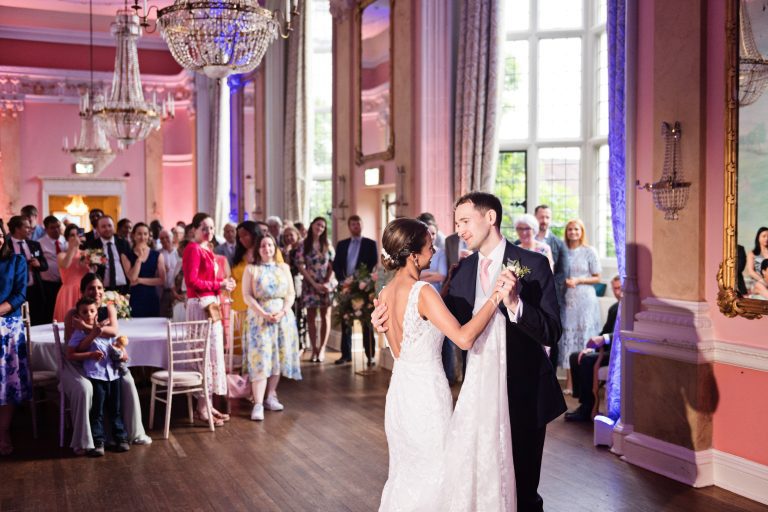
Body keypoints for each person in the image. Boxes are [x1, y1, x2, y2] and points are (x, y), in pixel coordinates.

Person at [373, 192, 565, 512]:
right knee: (477, 486)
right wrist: (383, 320)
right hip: (473, 401)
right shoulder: (461, 271)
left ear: (490, 218)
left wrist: (515, 304)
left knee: (524, 493)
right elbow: (434, 323)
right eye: (456, 223)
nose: (459, 230)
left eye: (464, 221)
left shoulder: (533, 264)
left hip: (523, 395)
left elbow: (553, 332)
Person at [375, 217, 516, 512]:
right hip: (426, 396)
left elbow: (419, 320)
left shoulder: (386, 292)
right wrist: (495, 297)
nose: (435, 250)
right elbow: (463, 339)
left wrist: (448, 285)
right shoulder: (423, 292)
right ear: (414, 255)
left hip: (400, 394)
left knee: (408, 472)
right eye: (430, 245)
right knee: (437, 470)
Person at [61, 273, 152, 455]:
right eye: (91, 288)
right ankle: (95, 439)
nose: (96, 292)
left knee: (126, 383)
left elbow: (113, 333)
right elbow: (75, 346)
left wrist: (88, 328)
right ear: (82, 292)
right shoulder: (74, 313)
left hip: (108, 363)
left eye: (100, 288)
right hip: (82, 362)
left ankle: (126, 434)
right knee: (93, 397)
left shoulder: (108, 308)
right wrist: (95, 332)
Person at [183, 212, 236, 426]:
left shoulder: (208, 249)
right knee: (204, 355)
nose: (209, 231)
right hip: (200, 305)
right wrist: (219, 285)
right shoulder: (193, 248)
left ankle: (207, 405)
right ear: (194, 229)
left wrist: (224, 284)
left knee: (213, 355)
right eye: (204, 228)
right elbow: (192, 281)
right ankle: (202, 408)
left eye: (212, 228)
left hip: (211, 303)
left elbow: (210, 279)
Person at [242, 234, 302, 421]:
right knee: (260, 359)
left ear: (275, 248)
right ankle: (258, 403)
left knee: (277, 357)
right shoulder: (252, 269)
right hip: (259, 320)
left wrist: (283, 312)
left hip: (282, 319)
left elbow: (290, 294)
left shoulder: (284, 268)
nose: (266, 248)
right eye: (263, 245)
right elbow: (247, 295)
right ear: (258, 249)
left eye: (270, 245)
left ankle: (270, 396)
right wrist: (263, 313)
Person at [66, 297, 130, 456]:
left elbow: (116, 343)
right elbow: (72, 354)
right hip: (96, 376)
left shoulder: (105, 329)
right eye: (84, 312)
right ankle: (98, 441)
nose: (89, 314)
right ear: (79, 316)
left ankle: (120, 438)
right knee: (97, 410)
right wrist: (90, 354)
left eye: (92, 311)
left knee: (115, 409)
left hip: (113, 374)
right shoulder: (79, 333)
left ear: (97, 313)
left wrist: (122, 353)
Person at [565, 275, 622, 422]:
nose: (618, 292)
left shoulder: (631, 309)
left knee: (587, 361)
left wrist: (603, 340)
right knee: (575, 356)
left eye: (620, 288)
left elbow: (621, 334)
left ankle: (587, 408)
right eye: (615, 289)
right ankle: (583, 402)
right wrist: (591, 348)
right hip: (606, 350)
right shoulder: (614, 308)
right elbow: (604, 332)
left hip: (619, 354)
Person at [560, 219, 602, 395]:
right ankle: (570, 384)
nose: (573, 232)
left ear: (581, 231)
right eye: (570, 229)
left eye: (576, 229)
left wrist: (578, 280)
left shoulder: (589, 251)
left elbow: (598, 277)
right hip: (567, 299)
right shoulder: (562, 250)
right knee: (568, 337)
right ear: (566, 232)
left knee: (584, 336)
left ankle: (586, 383)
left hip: (586, 299)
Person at [332, 215, 378, 365]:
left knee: (367, 322)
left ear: (362, 225)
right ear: (349, 227)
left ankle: (370, 356)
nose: (355, 226)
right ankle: (346, 355)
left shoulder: (370, 244)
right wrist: (343, 280)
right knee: (345, 320)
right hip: (345, 287)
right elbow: (336, 265)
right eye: (353, 224)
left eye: (358, 224)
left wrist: (359, 280)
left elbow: (373, 263)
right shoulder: (342, 244)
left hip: (363, 288)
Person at [0, 226, 29, 455]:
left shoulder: (17, 260)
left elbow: (20, 294)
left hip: (8, 326)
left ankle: (3, 430)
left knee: (8, 382)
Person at [533, 204, 569, 372]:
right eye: (541, 217)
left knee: (551, 335)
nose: (544, 220)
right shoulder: (522, 241)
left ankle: (551, 376)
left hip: (550, 298)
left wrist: (547, 290)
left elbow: (563, 273)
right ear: (535, 218)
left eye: (547, 217)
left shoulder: (558, 244)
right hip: (529, 298)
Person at [295, 217, 335, 362]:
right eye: (318, 225)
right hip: (310, 285)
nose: (320, 228)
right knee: (311, 317)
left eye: (323, 226)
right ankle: (314, 349)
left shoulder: (327, 244)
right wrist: (313, 284)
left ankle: (322, 348)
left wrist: (327, 282)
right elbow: (301, 266)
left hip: (325, 285)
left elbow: (333, 265)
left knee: (325, 316)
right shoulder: (303, 244)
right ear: (312, 225)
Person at [418, 217, 452, 382]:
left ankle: (447, 375)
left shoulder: (441, 253)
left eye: (433, 233)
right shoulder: (416, 253)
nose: (431, 236)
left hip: (438, 299)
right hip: (419, 300)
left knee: (442, 338)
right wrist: (431, 274)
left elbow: (441, 276)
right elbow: (414, 275)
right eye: (428, 233)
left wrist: (423, 275)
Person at [8, 215, 48, 326]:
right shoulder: (6, 246)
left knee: (37, 321)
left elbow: (45, 266)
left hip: (34, 289)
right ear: (17, 229)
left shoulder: (35, 244)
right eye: (26, 227)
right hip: (14, 291)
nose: (30, 230)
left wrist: (39, 264)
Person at [122, 223, 165, 318]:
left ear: (149, 236)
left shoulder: (157, 255)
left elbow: (162, 280)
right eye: (139, 234)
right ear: (133, 235)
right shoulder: (125, 255)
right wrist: (139, 259)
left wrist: (140, 280)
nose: (142, 237)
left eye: (145, 234)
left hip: (152, 297)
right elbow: (132, 278)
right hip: (135, 297)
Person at [54, 224, 91, 322]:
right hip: (68, 292)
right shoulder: (61, 255)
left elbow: (92, 272)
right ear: (67, 238)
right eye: (72, 235)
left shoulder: (87, 254)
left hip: (84, 291)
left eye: (77, 235)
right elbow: (66, 265)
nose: (75, 238)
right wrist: (73, 248)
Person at [85, 215, 131, 294]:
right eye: (103, 226)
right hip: (102, 288)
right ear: (97, 229)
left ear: (114, 227)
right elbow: (96, 268)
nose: (107, 229)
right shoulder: (94, 245)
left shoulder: (123, 243)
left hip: (124, 287)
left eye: (109, 226)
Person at [38, 215, 67, 324]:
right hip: (48, 284)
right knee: (50, 310)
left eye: (58, 226)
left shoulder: (66, 240)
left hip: (64, 282)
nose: (56, 230)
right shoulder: (40, 243)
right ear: (46, 229)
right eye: (52, 228)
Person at [158, 229, 179, 318]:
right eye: (162, 238)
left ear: (172, 238)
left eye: (167, 237)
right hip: (163, 292)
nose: (164, 240)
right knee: (163, 316)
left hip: (177, 292)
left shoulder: (179, 253)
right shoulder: (157, 254)